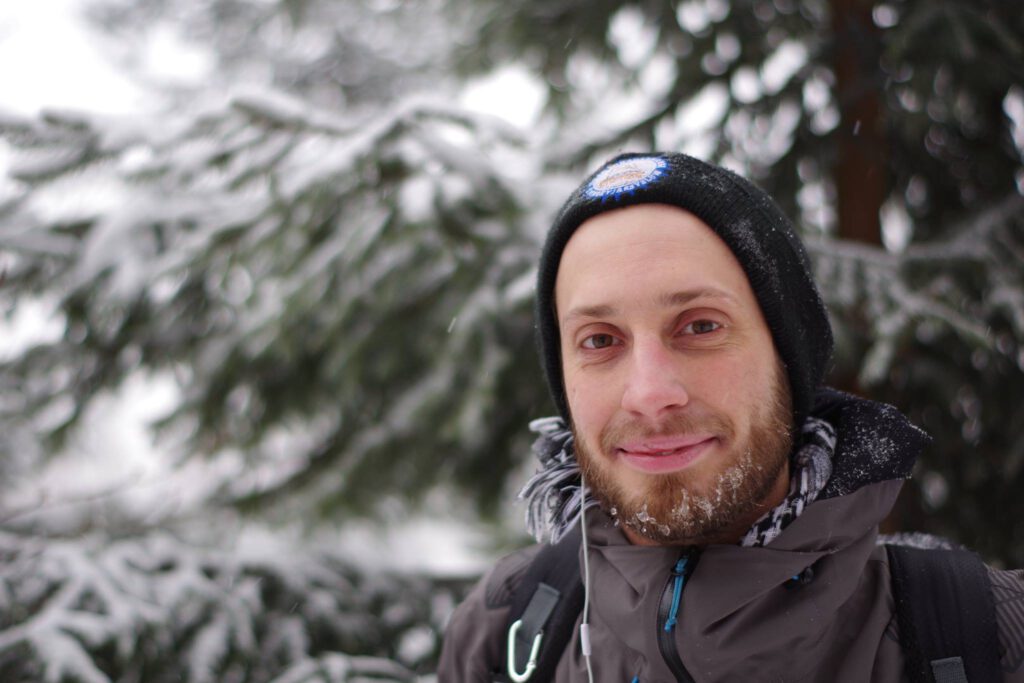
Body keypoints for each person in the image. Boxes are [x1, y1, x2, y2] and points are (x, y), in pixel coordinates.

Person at [438, 153, 1024, 681]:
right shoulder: (508, 626)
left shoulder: (989, 640)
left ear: (787, 359)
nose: (648, 393)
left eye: (699, 326)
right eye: (599, 340)